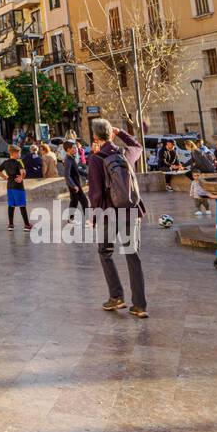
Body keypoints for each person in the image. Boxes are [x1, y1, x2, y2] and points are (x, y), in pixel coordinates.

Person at [88, 118, 148, 318]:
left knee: (105, 252)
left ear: (95, 136)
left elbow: (95, 193)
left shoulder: (96, 159)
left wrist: (94, 216)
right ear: (111, 134)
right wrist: (120, 132)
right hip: (131, 210)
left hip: (108, 213)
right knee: (133, 256)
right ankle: (139, 305)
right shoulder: (126, 153)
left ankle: (116, 297)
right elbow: (137, 145)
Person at [0, 144, 31, 231]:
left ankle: (10, 225)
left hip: (9, 186)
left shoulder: (6, 162)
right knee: (22, 205)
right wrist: (21, 178)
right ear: (15, 153)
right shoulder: (19, 162)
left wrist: (4, 177)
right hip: (18, 186)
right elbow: (23, 172)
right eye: (19, 153)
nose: (19, 155)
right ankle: (27, 225)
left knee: (11, 205)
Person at [62, 141, 88, 219]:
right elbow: (67, 175)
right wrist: (74, 186)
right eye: (73, 148)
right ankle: (89, 220)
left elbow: (77, 170)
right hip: (74, 185)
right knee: (84, 201)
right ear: (68, 149)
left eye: (75, 147)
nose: (75, 149)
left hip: (74, 184)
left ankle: (70, 218)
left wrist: (88, 175)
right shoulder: (68, 160)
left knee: (74, 202)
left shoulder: (71, 158)